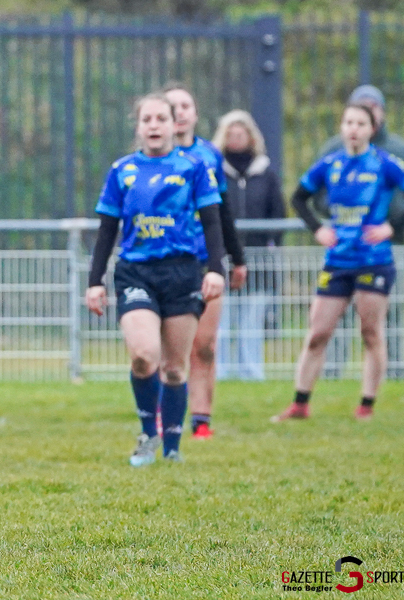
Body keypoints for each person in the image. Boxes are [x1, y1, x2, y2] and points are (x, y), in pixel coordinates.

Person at [86, 92, 227, 467]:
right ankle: (148, 433)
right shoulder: (122, 170)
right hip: (136, 272)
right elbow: (106, 230)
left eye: (160, 119)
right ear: (138, 126)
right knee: (144, 356)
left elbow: (213, 222)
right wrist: (94, 280)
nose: (153, 126)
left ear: (173, 124)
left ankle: (173, 447)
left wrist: (216, 269)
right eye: (146, 119)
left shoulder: (194, 167)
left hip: (182, 272)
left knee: (176, 367)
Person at [272, 102, 404, 423]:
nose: (354, 129)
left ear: (372, 129)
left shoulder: (386, 164)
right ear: (342, 127)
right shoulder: (329, 164)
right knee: (318, 332)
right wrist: (318, 228)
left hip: (374, 260)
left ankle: (366, 405)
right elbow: (298, 197)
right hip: (337, 260)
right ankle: (300, 404)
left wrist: (392, 226)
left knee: (371, 331)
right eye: (348, 122)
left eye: (360, 123)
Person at [316, 84, 404, 380]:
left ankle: (396, 371)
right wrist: (338, 216)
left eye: (372, 107)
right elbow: (316, 194)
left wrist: (394, 224)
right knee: (335, 312)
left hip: (384, 247)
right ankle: (332, 372)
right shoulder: (333, 150)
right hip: (343, 247)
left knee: (385, 315)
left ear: (381, 114)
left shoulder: (399, 150)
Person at [163, 83, 246, 439]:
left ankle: (201, 420)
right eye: (173, 106)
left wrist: (235, 259)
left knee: (205, 345)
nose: (180, 112)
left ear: (195, 114)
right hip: (164, 264)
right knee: (168, 350)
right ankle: (163, 416)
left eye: (186, 105)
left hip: (204, 262)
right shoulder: (148, 159)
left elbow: (222, 213)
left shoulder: (210, 157)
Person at [210, 110, 286, 381]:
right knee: (222, 319)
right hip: (223, 259)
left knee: (251, 321)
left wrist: (270, 245)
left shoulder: (265, 173)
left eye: (241, 133)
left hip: (258, 260)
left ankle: (251, 372)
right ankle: (220, 371)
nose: (235, 137)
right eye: (230, 133)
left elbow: (278, 212)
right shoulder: (215, 172)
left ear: (251, 136)